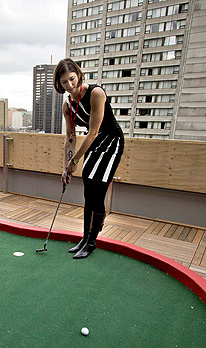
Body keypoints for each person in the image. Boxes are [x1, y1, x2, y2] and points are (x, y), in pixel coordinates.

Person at [53, 58, 124, 259]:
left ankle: (91, 242)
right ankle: (85, 238)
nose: (70, 85)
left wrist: (74, 161)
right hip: (93, 144)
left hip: (111, 142)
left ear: (78, 75)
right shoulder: (68, 104)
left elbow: (92, 132)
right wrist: (65, 167)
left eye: (72, 79)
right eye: (64, 82)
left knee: (97, 190)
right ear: (59, 84)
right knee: (88, 189)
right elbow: (70, 137)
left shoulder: (96, 93)